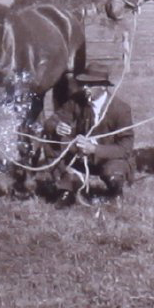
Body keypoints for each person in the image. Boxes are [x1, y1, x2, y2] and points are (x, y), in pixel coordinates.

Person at [42, 64, 135, 206]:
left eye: (90, 85)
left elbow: (125, 148)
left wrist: (94, 150)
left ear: (103, 86)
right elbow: (50, 122)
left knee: (114, 172)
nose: (85, 88)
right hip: (80, 156)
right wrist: (56, 127)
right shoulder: (76, 101)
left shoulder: (121, 110)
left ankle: (115, 192)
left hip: (108, 159)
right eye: (83, 83)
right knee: (50, 142)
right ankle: (67, 187)